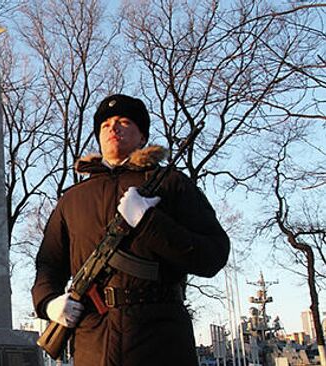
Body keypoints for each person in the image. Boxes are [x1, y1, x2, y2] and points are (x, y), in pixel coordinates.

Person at [31, 94, 230, 366]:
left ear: (142, 137)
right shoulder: (73, 199)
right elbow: (49, 263)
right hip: (93, 341)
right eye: (105, 124)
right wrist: (49, 302)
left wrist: (149, 222)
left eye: (124, 121)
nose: (113, 128)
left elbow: (213, 254)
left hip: (160, 341)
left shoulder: (171, 185)